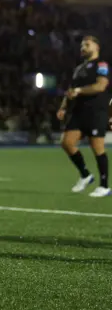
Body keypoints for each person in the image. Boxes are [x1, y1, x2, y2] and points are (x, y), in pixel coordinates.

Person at [57, 35, 110, 197]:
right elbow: (71, 89)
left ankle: (104, 186)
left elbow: (101, 86)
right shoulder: (78, 69)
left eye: (87, 44)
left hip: (95, 111)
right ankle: (86, 175)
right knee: (66, 143)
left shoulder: (102, 65)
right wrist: (63, 107)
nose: (83, 48)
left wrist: (80, 91)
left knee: (97, 147)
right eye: (81, 45)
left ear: (96, 47)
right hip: (78, 112)